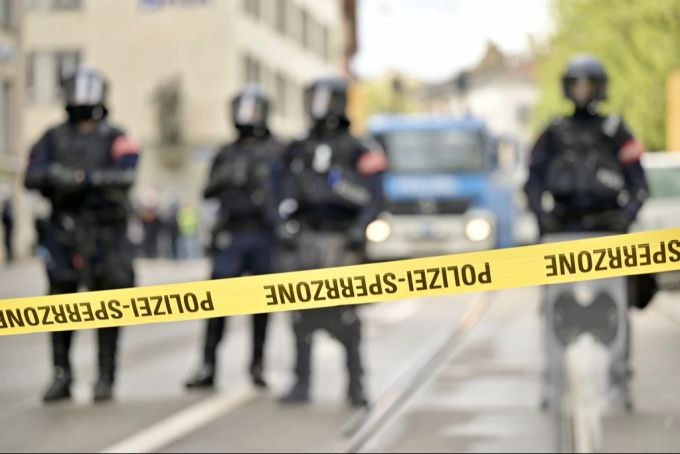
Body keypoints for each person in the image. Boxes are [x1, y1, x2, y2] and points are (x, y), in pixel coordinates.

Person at [524, 54, 648, 410]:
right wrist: (541, 216)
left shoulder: (616, 130)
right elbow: (532, 181)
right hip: (562, 230)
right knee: (552, 308)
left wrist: (625, 218)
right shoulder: (553, 132)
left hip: (608, 232)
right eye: (575, 84)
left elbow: (639, 183)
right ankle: (553, 379)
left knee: (616, 310)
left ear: (599, 88)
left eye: (587, 84)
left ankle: (620, 379)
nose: (581, 91)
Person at [24, 67, 140, 403]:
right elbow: (32, 174)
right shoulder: (53, 137)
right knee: (61, 303)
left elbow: (125, 174)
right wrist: (55, 176)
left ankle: (106, 375)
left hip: (106, 232)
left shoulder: (117, 136)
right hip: (64, 231)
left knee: (109, 306)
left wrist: (83, 179)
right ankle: (62, 374)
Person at [276, 77, 387, 407]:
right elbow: (277, 188)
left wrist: (361, 227)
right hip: (307, 238)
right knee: (301, 313)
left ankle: (356, 384)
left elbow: (377, 195)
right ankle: (301, 382)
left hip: (343, 238)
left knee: (347, 317)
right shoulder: (297, 148)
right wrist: (282, 222)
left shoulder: (360, 148)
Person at [184, 85, 283, 389]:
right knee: (217, 304)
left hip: (263, 234)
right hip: (232, 234)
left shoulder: (278, 151)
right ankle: (208, 365)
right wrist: (228, 177)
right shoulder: (227, 152)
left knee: (262, 305)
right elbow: (207, 190)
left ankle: (257, 366)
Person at [1, 192, 13, 263]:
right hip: (7, 226)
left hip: (8, 226)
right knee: (7, 241)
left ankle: (9, 255)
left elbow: (7, 217)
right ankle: (9, 254)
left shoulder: (7, 206)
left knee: (8, 240)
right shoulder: (7, 205)